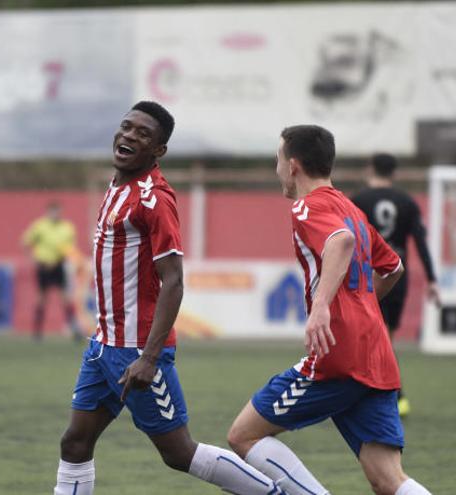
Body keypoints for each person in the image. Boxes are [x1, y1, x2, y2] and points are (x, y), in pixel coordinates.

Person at [53, 101, 282, 495]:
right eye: (126, 127)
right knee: (75, 442)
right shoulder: (117, 185)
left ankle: (275, 492)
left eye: (143, 134)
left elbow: (173, 281)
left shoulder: (153, 198)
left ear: (158, 151)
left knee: (178, 452)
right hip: (103, 345)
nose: (129, 136)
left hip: (135, 350)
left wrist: (149, 357)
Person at [227, 125, 431, 495]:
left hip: (339, 353)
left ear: (292, 166)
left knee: (243, 436)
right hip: (376, 352)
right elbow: (394, 267)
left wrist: (322, 306)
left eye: (277, 161)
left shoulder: (308, 207)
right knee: (389, 480)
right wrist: (361, 305)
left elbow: (341, 241)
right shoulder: (350, 208)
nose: (276, 170)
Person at [351, 152, 439, 416]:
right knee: (384, 337)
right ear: (394, 173)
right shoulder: (407, 202)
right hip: (398, 274)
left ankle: (389, 395)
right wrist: (432, 279)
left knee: (371, 338)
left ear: (370, 169)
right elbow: (421, 242)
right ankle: (390, 395)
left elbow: (349, 239)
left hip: (367, 276)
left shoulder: (358, 200)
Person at [22, 202, 83, 341]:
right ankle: (37, 333)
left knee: (65, 298)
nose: (55, 214)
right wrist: (33, 259)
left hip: (58, 265)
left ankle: (74, 330)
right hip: (43, 267)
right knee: (41, 299)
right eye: (53, 212)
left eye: (58, 212)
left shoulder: (67, 228)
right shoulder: (39, 226)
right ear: (48, 212)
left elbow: (70, 248)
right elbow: (26, 242)